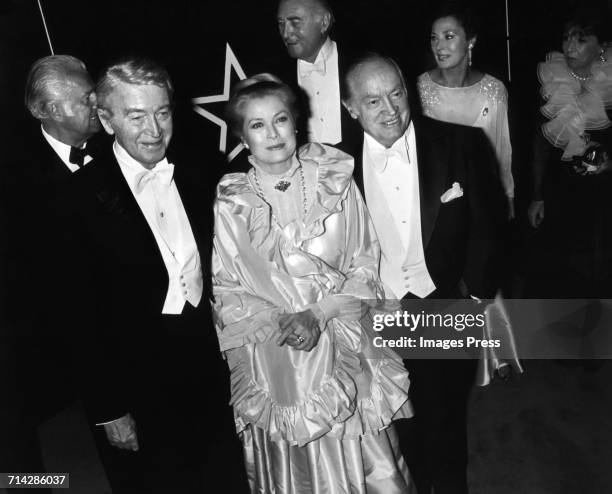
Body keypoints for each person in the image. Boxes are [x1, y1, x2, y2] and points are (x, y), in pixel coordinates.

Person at [213, 74, 415, 493]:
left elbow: (364, 261)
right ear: (241, 136)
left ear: (296, 123)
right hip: (279, 359)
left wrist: (318, 314)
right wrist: (282, 323)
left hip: (344, 341)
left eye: (281, 119)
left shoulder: (335, 178)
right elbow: (228, 286)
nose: (273, 133)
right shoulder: (232, 199)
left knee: (374, 467)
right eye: (257, 125)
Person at [67, 58, 246, 493]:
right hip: (136, 380)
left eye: (161, 112)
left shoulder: (201, 166)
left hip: (209, 360)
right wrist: (108, 408)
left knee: (225, 478)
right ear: (106, 120)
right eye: (135, 115)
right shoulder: (78, 196)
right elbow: (76, 315)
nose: (153, 130)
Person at [342, 53, 505, 494]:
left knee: (447, 428)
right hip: (376, 317)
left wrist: (476, 297)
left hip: (444, 305)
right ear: (350, 107)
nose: (390, 110)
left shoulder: (461, 143)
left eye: (396, 94)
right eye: (372, 101)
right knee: (399, 435)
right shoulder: (334, 168)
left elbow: (488, 225)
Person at [1, 54, 101, 476]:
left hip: (105, 321)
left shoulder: (115, 146)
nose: (98, 106)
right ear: (45, 111)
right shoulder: (16, 173)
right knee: (16, 446)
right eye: (85, 100)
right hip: (33, 332)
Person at [526, 8, 612, 298]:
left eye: (581, 40)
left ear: (601, 45)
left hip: (605, 193)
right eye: (566, 39)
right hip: (560, 189)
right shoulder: (552, 78)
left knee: (600, 268)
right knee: (559, 271)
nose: (570, 47)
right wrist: (536, 196)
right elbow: (539, 143)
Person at [418, 6, 514, 218]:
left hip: (483, 200)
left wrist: (508, 197)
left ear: (471, 41)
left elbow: (502, 150)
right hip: (433, 205)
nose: (439, 46)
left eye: (448, 36)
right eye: (434, 38)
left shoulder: (494, 89)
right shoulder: (418, 89)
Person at [275, 0, 361, 152]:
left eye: (295, 22)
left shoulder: (361, 64)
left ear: (324, 22)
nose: (286, 33)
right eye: (281, 23)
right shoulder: (276, 78)